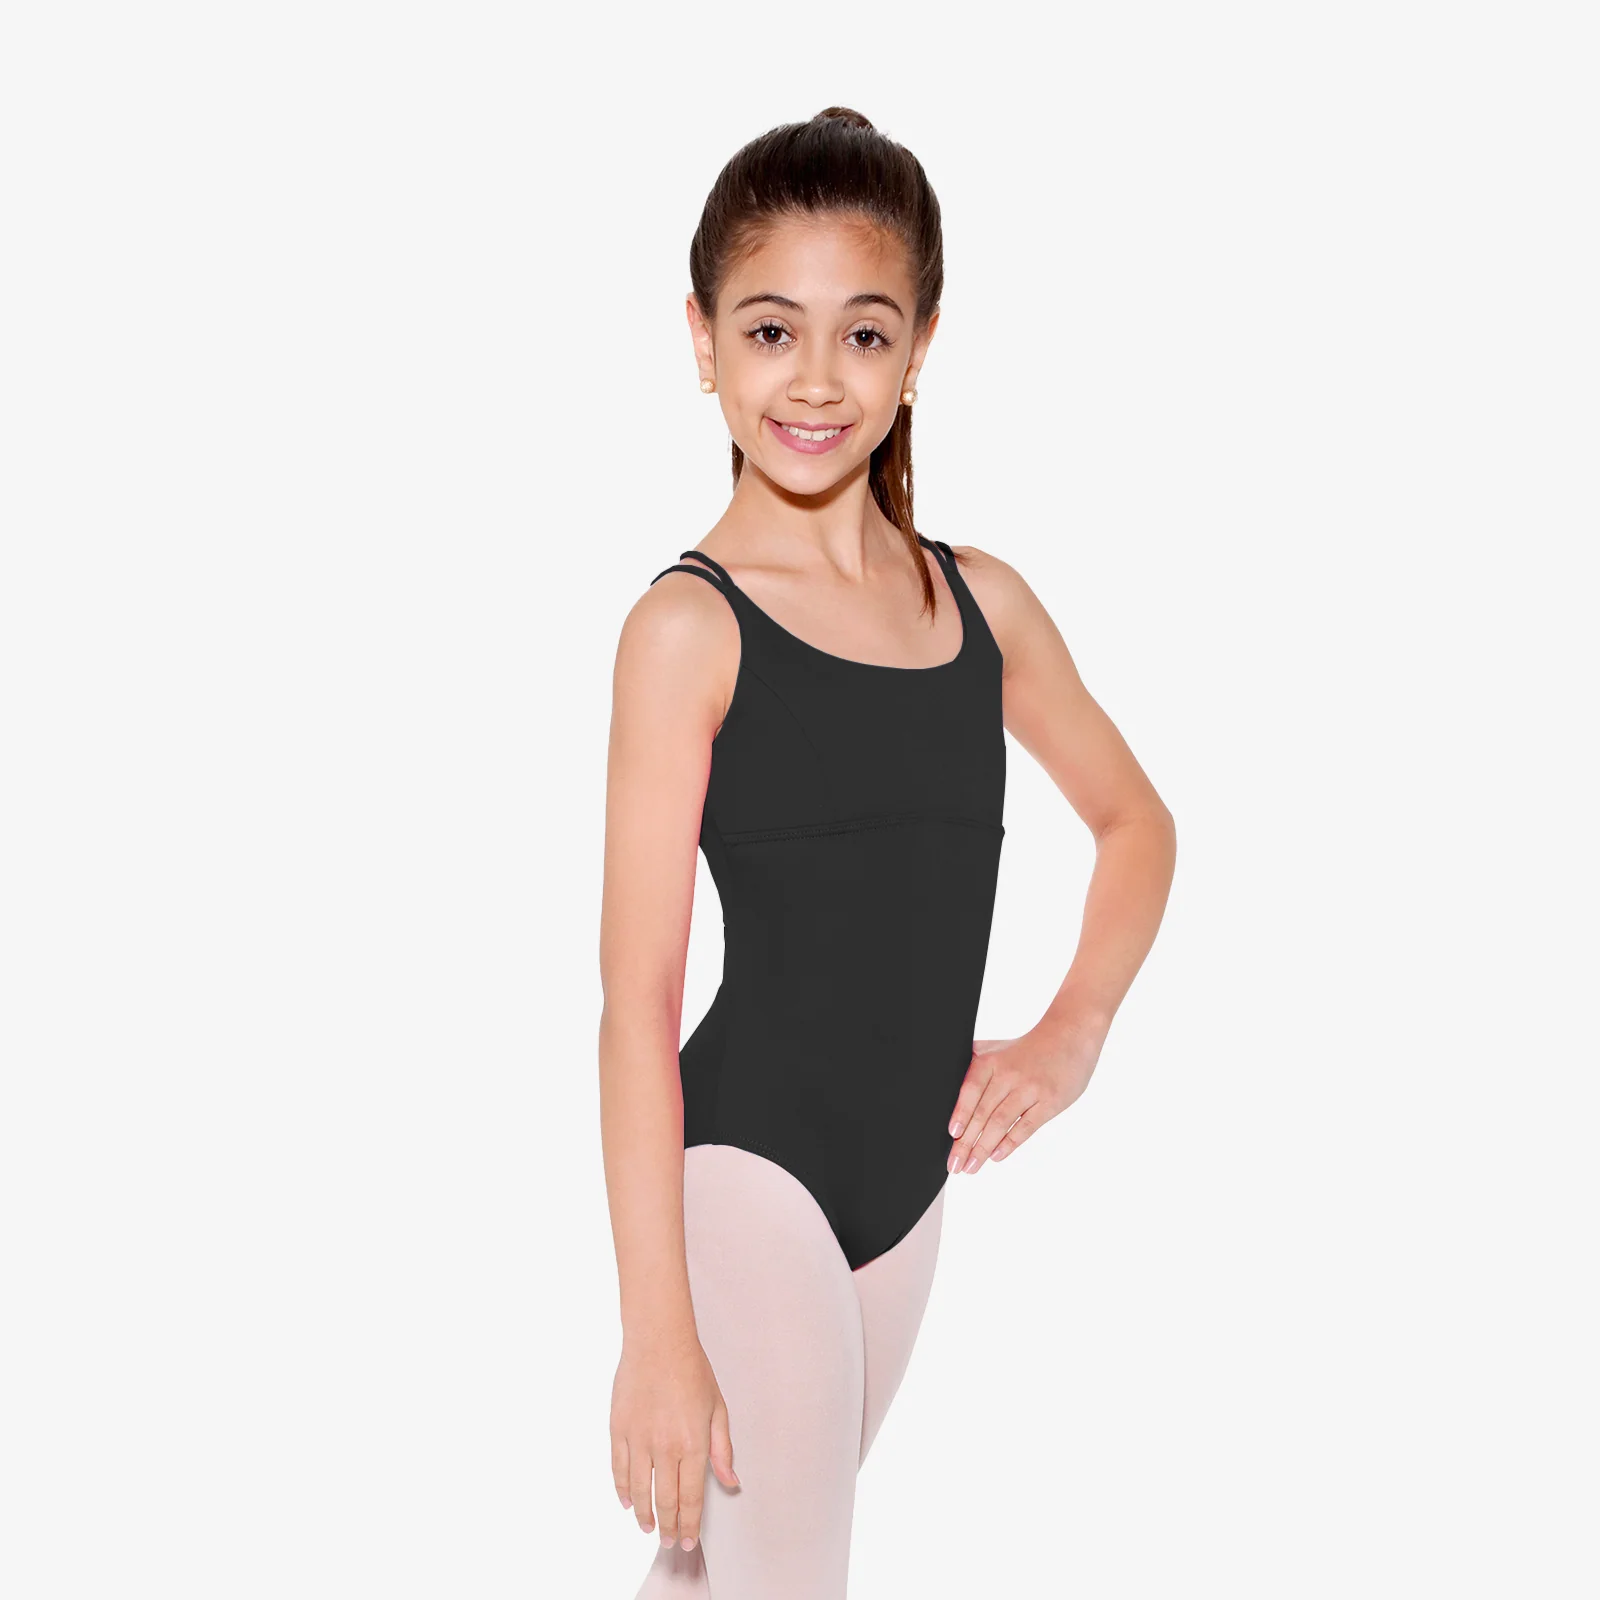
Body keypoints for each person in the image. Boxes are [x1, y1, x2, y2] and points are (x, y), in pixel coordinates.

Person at [598, 106, 1177, 1598]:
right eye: (769, 330)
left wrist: (1074, 1029)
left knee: (716, 1574)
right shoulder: (688, 629)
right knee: (785, 1579)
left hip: (904, 1191)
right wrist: (657, 1332)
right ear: (702, 341)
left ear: (919, 350)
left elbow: (1135, 822)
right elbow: (634, 1005)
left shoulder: (981, 606)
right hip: (748, 1170)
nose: (815, 378)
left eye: (863, 334)